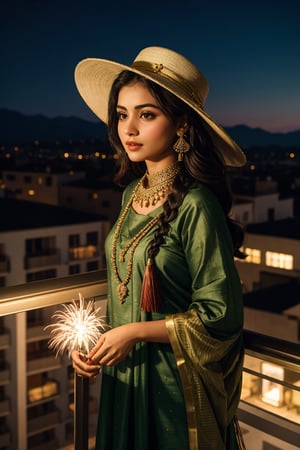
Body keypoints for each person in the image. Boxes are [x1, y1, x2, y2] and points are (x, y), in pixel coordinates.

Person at [71, 46, 247, 450]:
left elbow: (221, 315)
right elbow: (127, 286)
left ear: (182, 124)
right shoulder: (132, 192)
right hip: (125, 377)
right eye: (122, 114)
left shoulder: (197, 205)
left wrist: (133, 332)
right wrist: (98, 347)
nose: (127, 129)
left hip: (172, 386)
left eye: (146, 114)